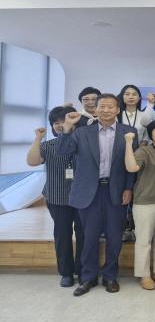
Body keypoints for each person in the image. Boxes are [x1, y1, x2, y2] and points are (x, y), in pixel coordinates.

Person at [56, 94, 137, 296]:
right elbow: (63, 151)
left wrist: (128, 189)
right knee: (89, 237)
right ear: (96, 109)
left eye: (111, 107)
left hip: (116, 191)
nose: (106, 110)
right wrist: (67, 128)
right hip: (88, 192)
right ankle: (87, 278)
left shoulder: (129, 132)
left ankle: (110, 276)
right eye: (102, 106)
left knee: (115, 237)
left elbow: (130, 166)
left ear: (118, 110)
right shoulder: (82, 132)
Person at [26, 105, 83, 288]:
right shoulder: (48, 145)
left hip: (83, 197)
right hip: (57, 197)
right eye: (56, 123)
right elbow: (32, 161)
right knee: (62, 235)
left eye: (63, 121)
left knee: (84, 234)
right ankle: (66, 273)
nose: (60, 125)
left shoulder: (84, 143)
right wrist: (38, 138)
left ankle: (81, 271)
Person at [124, 119, 155, 290]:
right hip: (145, 201)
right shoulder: (144, 150)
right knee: (144, 241)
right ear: (151, 133)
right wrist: (128, 143)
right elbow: (131, 168)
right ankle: (144, 275)